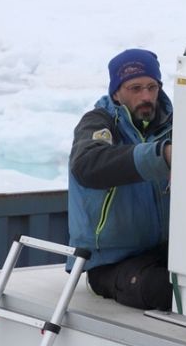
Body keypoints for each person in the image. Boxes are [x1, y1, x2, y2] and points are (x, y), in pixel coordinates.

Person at [67, 48, 174, 311]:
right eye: (135, 88)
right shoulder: (99, 124)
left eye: (152, 87)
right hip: (110, 262)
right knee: (165, 291)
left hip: (169, 251)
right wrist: (162, 156)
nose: (146, 96)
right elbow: (88, 165)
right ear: (116, 92)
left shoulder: (175, 125)